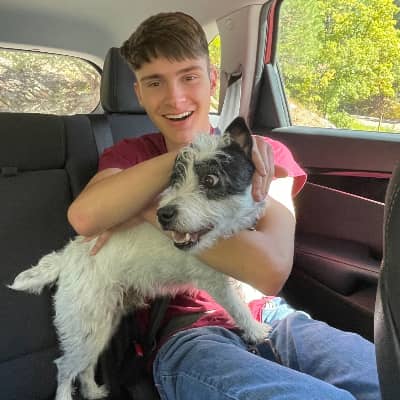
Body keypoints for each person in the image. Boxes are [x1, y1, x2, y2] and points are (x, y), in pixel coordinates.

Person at [67, 11, 381, 400]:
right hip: (185, 333)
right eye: (155, 82)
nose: (175, 97)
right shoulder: (131, 155)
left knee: (384, 379)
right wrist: (186, 155)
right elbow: (86, 216)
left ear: (212, 79)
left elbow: (268, 271)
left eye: (189, 77)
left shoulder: (265, 156)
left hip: (268, 314)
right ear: (139, 93)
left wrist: (140, 207)